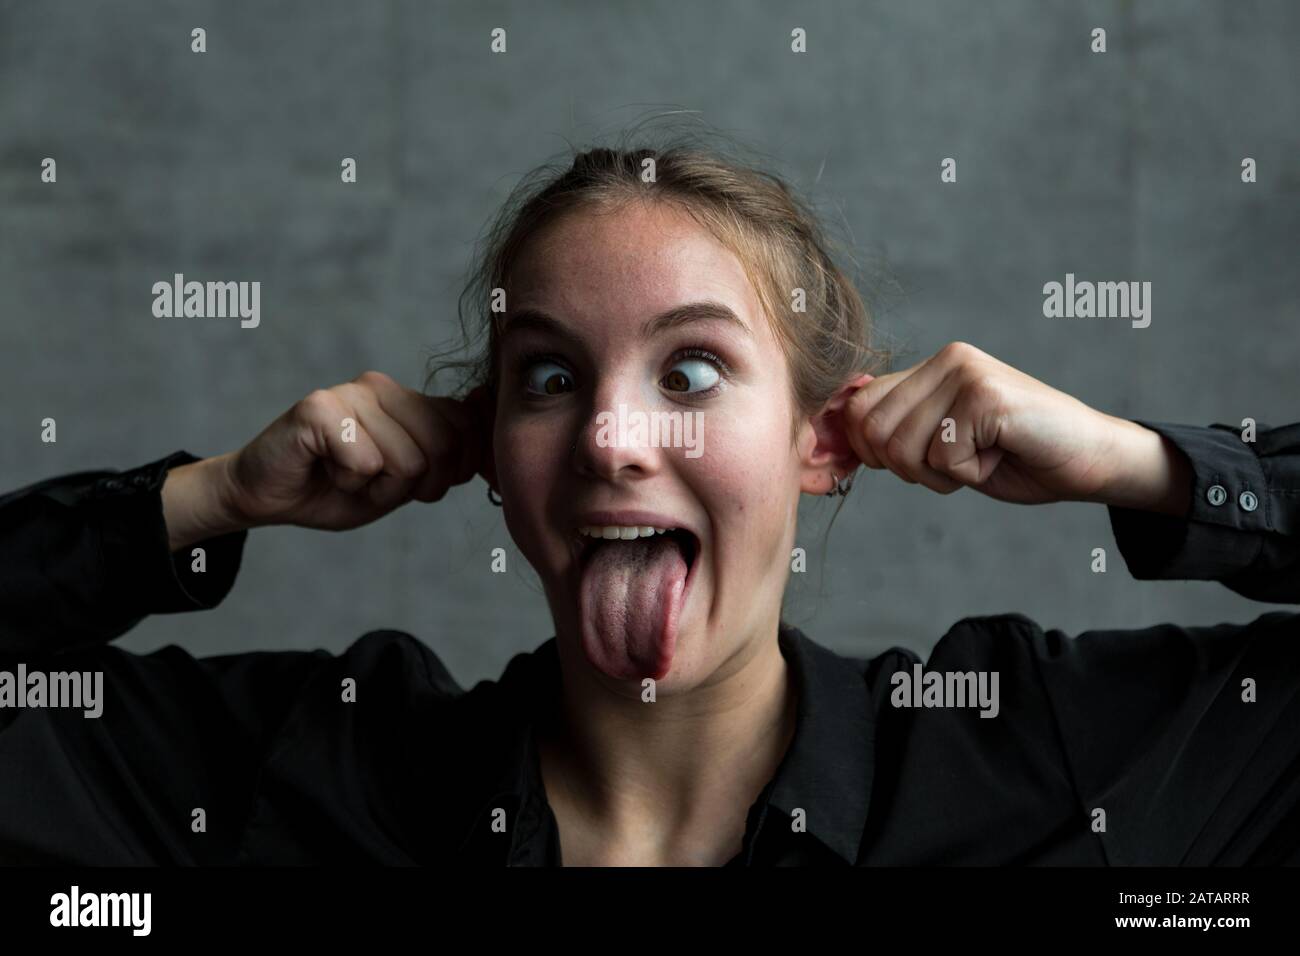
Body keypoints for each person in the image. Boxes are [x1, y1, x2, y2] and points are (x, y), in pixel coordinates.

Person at [2, 141, 1297, 866]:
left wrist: (1143, 464)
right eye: (551, 377)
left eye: (691, 368)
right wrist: (206, 498)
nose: (614, 439)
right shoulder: (302, 781)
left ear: (822, 440)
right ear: (492, 456)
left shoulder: (1051, 768)